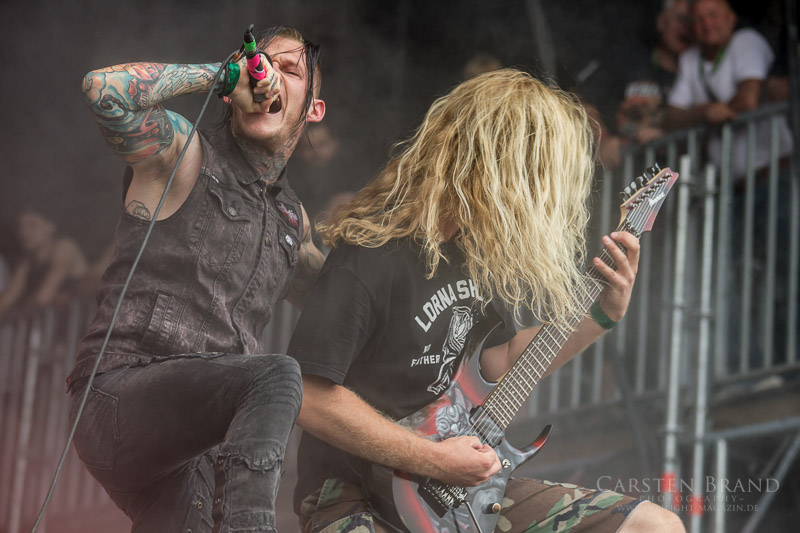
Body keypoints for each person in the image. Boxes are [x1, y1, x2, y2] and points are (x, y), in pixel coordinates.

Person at [289, 70, 684, 532]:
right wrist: (433, 458)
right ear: (490, 164)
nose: (539, 195)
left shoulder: (474, 259)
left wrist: (602, 314)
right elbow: (309, 397)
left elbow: (502, 362)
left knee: (655, 525)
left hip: (450, 495)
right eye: (532, 172)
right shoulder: (371, 253)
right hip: (350, 494)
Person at [66, 25, 326, 532]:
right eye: (262, 64)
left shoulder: (293, 221)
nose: (270, 76)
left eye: (290, 70)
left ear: (313, 109)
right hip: (119, 396)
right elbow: (103, 89)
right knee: (277, 375)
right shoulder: (185, 155)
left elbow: (338, 295)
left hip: (194, 448)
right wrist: (221, 74)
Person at [663, 0, 792, 178]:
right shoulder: (689, 59)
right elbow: (671, 117)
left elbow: (748, 99)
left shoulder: (746, 41)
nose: (707, 24)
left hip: (773, 174)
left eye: (713, 15)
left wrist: (719, 113)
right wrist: (704, 113)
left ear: (731, 18)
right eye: (699, 19)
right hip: (730, 184)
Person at [616, 0, 693, 145]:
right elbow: (592, 102)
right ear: (661, 22)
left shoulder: (698, 76)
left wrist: (666, 135)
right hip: (626, 156)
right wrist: (606, 138)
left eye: (692, 21)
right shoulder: (631, 63)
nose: (687, 27)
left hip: (673, 158)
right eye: (681, 19)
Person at [0, 208, 88, 321]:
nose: (24, 233)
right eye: (21, 227)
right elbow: (6, 301)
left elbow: (43, 298)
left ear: (51, 226)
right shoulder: (27, 263)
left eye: (32, 225)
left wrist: (15, 310)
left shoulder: (65, 247)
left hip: (83, 324)